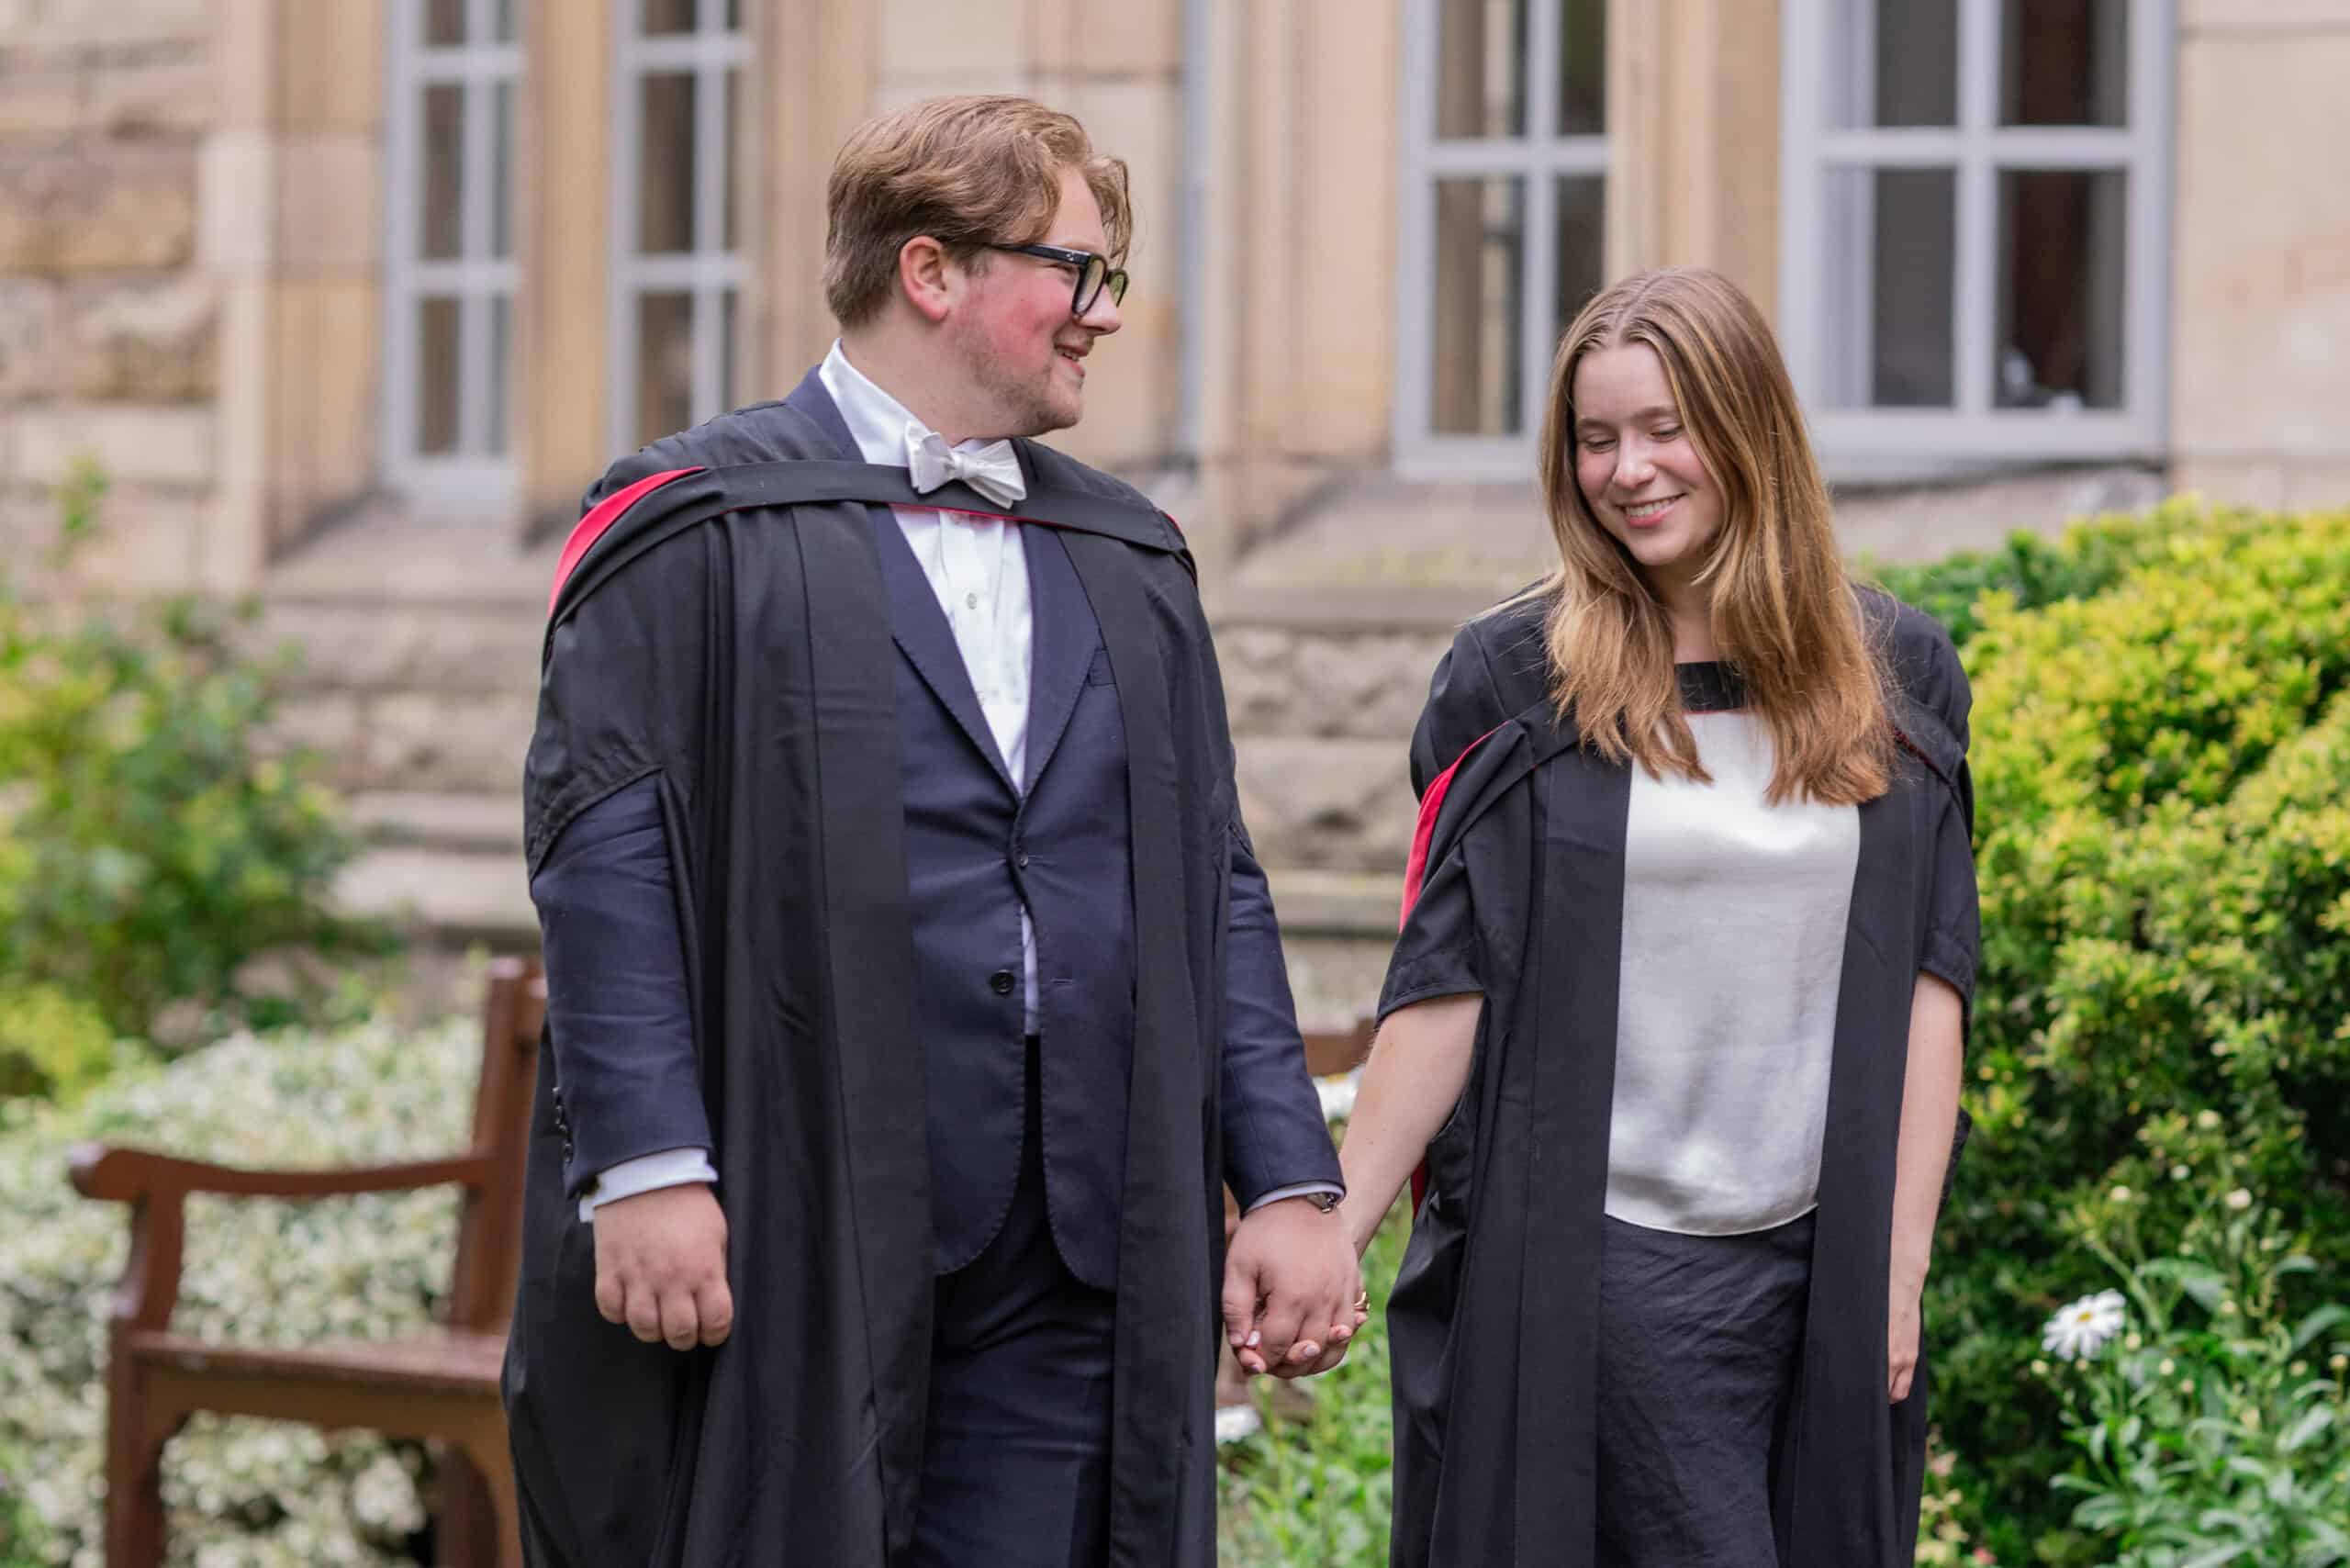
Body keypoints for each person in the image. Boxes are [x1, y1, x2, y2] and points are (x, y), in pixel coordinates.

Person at [503, 94, 1361, 1568]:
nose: (1101, 314)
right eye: (1074, 271)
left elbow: (1213, 881)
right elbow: (607, 848)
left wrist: (1287, 1179)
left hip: (1071, 1227)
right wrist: (646, 1163)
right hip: (795, 1198)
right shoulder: (695, 525)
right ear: (931, 270)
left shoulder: (1126, 555)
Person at [1336, 267, 1979, 1565]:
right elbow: (1447, 979)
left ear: (1750, 432)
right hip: (1604, 1262)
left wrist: (1897, 1262)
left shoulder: (1898, 673)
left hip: (1820, 1263)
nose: (1628, 470)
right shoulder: (1516, 681)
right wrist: (1329, 1229)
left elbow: (1929, 984)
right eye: (1595, 438)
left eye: (1664, 428)